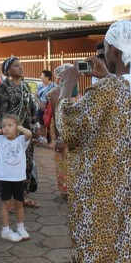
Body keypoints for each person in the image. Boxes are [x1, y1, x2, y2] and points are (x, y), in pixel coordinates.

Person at [55, 20, 131, 262]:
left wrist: (67, 85)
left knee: (98, 249)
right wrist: (108, 76)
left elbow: (69, 128)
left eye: (106, 48)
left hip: (103, 194)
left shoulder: (108, 91)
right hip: (124, 190)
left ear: (115, 52)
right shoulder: (118, 87)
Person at [0, 56, 39, 208]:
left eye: (21, 65)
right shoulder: (3, 87)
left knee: (26, 164)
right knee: (6, 165)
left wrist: (35, 128)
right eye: (17, 66)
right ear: (8, 70)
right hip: (8, 134)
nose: (21, 67)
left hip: (24, 135)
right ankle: (7, 200)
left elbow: (31, 111)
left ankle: (22, 197)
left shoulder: (25, 87)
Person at [0, 114, 32, 242]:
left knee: (19, 203)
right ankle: (5, 230)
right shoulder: (1, 140)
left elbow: (29, 134)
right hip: (4, 178)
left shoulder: (21, 140)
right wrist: (0, 130)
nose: (6, 128)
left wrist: (20, 128)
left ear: (16, 128)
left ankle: (20, 226)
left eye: (10, 126)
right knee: (6, 204)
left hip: (18, 178)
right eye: (4, 126)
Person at [49, 63, 80, 199]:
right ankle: (65, 191)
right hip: (62, 130)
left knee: (74, 161)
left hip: (74, 132)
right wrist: (59, 138)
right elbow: (56, 118)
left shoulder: (76, 91)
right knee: (63, 161)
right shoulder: (57, 92)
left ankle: (74, 187)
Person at [34, 70, 56, 148]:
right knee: (42, 124)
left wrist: (47, 105)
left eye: (43, 75)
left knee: (50, 125)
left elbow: (54, 97)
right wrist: (40, 104)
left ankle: (52, 142)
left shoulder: (54, 86)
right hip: (40, 108)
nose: (41, 77)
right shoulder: (40, 86)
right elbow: (35, 96)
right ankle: (44, 141)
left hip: (50, 108)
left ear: (48, 77)